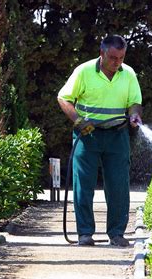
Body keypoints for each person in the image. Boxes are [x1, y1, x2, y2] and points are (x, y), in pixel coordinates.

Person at [57, 35, 142, 247]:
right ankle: (85, 233)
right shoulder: (84, 71)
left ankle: (116, 234)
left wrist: (134, 114)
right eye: (113, 57)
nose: (117, 62)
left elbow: (135, 102)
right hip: (88, 135)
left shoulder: (128, 74)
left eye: (121, 58)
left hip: (117, 135)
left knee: (118, 185)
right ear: (102, 53)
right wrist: (78, 121)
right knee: (83, 184)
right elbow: (63, 98)